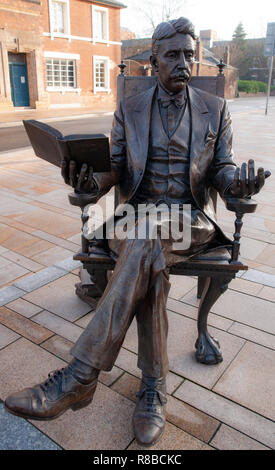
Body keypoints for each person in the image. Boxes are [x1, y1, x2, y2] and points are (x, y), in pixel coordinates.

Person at [4, 17, 270, 447]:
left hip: (189, 222)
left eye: (189, 54)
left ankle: (78, 376)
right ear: (154, 60)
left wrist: (239, 183)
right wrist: (89, 181)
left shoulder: (215, 109)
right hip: (135, 219)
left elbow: (221, 169)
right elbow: (115, 167)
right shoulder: (129, 108)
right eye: (173, 55)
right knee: (149, 257)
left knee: (147, 241)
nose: (183, 62)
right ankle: (152, 388)